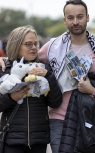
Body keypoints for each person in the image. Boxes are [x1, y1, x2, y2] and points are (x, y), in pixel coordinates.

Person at [0, 0, 95, 153]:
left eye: (80, 16)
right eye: (70, 18)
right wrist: (5, 60)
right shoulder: (53, 47)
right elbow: (27, 57)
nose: (76, 21)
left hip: (90, 119)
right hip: (59, 119)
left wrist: (91, 89)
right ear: (65, 20)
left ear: (88, 17)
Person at [0, 25, 62, 153]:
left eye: (36, 44)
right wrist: (12, 98)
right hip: (12, 140)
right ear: (16, 45)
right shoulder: (5, 69)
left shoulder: (44, 68)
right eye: (28, 44)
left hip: (38, 141)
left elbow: (55, 102)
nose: (34, 48)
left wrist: (48, 76)